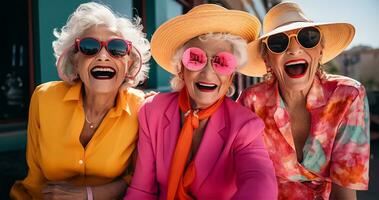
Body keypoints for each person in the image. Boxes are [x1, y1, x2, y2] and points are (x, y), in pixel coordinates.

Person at [124, 4, 277, 200]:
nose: (207, 73)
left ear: (231, 75)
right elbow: (142, 191)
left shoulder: (245, 126)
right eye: (196, 58)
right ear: (181, 68)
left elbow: (260, 183)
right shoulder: (152, 111)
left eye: (221, 62)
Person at [10, 2, 151, 199]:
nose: (103, 56)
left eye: (117, 48)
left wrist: (89, 195)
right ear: (74, 61)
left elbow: (138, 180)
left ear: (130, 64)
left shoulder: (142, 108)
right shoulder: (44, 98)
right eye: (89, 47)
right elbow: (35, 178)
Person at [237, 2, 370, 200]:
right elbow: (242, 174)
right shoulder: (251, 102)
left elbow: (344, 192)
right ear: (267, 60)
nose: (294, 50)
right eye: (278, 43)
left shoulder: (348, 96)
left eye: (308, 38)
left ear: (320, 51)